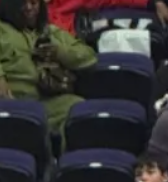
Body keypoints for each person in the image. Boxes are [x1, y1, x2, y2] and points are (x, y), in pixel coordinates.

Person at [0, 0, 96, 135]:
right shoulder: (2, 30)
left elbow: (90, 57)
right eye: (23, 4)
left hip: (47, 100)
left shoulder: (51, 31)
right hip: (12, 102)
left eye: (34, 3)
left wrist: (60, 53)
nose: (29, 8)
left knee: (78, 108)